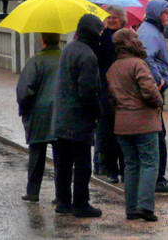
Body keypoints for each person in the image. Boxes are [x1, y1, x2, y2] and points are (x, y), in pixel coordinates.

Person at [107, 26, 163, 221]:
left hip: (122, 124)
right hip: (144, 123)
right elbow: (150, 92)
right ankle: (146, 206)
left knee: (130, 165)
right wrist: (159, 101)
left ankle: (131, 209)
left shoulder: (113, 68)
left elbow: (112, 99)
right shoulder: (138, 64)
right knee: (149, 163)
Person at [52, 13, 103, 217]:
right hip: (78, 120)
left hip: (61, 117)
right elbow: (87, 91)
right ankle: (81, 203)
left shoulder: (69, 48)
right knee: (82, 164)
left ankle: (63, 202)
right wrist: (97, 113)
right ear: (92, 32)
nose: (101, 35)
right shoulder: (88, 55)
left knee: (62, 164)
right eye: (99, 31)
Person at [136, 0, 168, 193]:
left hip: (151, 90)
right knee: (158, 135)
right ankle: (158, 179)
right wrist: (159, 79)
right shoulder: (151, 34)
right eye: (165, 12)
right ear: (156, 14)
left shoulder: (149, 30)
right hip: (153, 91)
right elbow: (147, 58)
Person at [16, 32, 61, 202]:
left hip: (39, 113)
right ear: (59, 39)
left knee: (36, 152)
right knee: (60, 156)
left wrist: (25, 108)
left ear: (42, 40)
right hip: (61, 113)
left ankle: (33, 191)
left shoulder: (36, 60)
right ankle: (61, 194)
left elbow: (24, 90)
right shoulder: (65, 58)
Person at [94, 7, 126, 183]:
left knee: (123, 133)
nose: (112, 20)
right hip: (106, 91)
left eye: (116, 17)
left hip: (122, 90)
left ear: (122, 19)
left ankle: (124, 169)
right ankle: (111, 170)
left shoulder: (127, 37)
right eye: (110, 17)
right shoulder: (103, 37)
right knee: (109, 133)